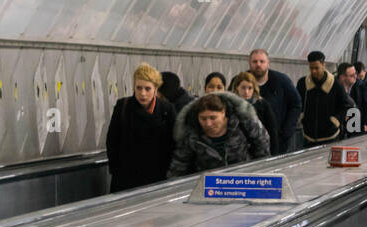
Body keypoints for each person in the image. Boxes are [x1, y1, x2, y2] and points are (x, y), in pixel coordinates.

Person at [105, 63, 177, 192]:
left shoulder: (167, 110)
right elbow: (112, 140)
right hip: (126, 178)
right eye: (139, 88)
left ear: (155, 88)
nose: (142, 93)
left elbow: (174, 142)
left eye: (147, 89)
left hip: (157, 176)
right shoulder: (123, 107)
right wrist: (116, 169)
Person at [166, 91, 271, 177]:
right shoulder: (192, 134)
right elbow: (179, 166)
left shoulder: (242, 123)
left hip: (244, 180)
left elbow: (262, 144)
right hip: (210, 188)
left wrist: (261, 174)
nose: (208, 123)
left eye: (213, 118)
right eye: (203, 118)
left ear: (223, 112)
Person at [296, 51, 356, 145]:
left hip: (331, 137)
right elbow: (297, 104)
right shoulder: (302, 83)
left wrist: (336, 121)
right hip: (308, 136)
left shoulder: (336, 84)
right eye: (311, 68)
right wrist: (301, 117)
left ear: (324, 65)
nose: (313, 71)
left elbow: (346, 105)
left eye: (316, 68)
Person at [248, 49, 301, 155]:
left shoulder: (282, 81)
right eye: (255, 62)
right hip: (248, 143)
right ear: (249, 63)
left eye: (262, 61)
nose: (258, 65)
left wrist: (286, 132)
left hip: (277, 142)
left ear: (268, 63)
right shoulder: (241, 81)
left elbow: (296, 104)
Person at [230, 70, 280, 155]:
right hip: (237, 151)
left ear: (254, 89)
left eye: (250, 88)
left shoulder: (263, 104)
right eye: (243, 88)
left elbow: (272, 131)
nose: (246, 92)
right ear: (237, 87)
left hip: (259, 149)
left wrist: (274, 155)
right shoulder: (231, 105)